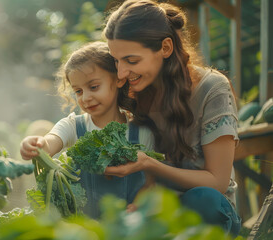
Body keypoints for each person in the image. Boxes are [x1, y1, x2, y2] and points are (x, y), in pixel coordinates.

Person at [102, 0, 241, 236]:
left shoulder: (212, 89)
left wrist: (149, 164)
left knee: (203, 199)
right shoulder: (130, 91)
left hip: (206, 214)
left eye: (132, 61)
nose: (121, 73)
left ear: (165, 48)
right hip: (153, 211)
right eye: (116, 60)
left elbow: (217, 181)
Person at [20, 41, 153, 218]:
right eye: (79, 91)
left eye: (93, 87)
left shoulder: (142, 132)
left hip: (130, 228)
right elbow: (50, 142)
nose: (86, 97)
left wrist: (141, 204)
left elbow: (151, 182)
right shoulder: (74, 126)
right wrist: (36, 144)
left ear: (118, 80)